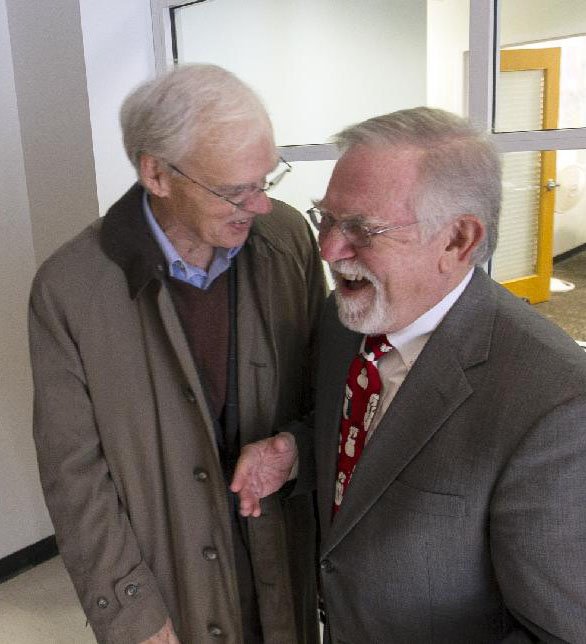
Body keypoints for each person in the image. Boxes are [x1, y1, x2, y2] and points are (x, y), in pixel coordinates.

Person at [231, 107, 586, 643]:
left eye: (361, 230)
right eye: (325, 218)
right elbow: (377, 445)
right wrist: (299, 451)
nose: (328, 249)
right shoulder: (345, 319)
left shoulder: (555, 406)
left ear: (457, 241)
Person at [29, 64, 325, 644]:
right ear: (157, 175)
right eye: (236, 190)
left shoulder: (287, 239)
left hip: (282, 557)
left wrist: (295, 447)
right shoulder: (68, 289)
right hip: (170, 584)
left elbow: (326, 391)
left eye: (267, 179)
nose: (259, 205)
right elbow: (74, 475)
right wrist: (130, 613)